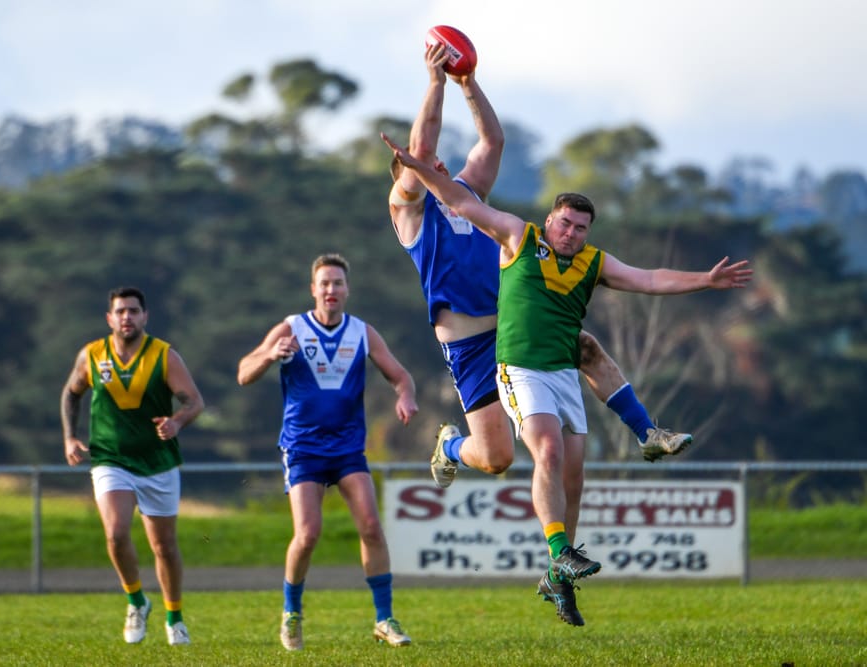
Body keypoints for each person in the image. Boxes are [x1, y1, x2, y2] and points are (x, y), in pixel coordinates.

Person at [384, 134, 753, 626]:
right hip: (515, 365)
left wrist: (704, 280)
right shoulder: (519, 236)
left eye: (581, 228)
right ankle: (560, 547)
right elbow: (456, 197)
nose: (571, 233)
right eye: (565, 223)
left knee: (572, 473)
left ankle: (562, 566)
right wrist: (420, 167)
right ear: (550, 219)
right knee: (548, 451)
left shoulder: (590, 262)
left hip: (559, 369)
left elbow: (649, 279)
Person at [387, 42, 692, 496]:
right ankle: (450, 448)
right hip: (468, 342)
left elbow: (493, 141)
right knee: (496, 458)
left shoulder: (468, 195)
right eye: (425, 164)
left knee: (584, 346)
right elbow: (420, 145)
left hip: (516, 328)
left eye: (437, 162)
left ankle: (647, 432)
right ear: (408, 173)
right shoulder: (408, 211)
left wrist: (469, 85)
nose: (436, 163)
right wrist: (435, 83)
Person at [237, 253, 418, 651]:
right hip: (303, 447)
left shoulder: (362, 333)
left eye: (337, 283)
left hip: (348, 448)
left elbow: (400, 375)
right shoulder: (292, 328)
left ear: (347, 290)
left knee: (371, 525)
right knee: (308, 533)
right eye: (324, 283)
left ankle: (384, 618)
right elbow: (244, 372)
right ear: (313, 289)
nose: (331, 290)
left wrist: (405, 397)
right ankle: (291, 612)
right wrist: (269, 355)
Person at [61, 286, 205, 646]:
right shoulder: (92, 355)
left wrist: (176, 422)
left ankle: (174, 617)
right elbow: (71, 392)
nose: (127, 317)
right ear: (109, 318)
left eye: (134, 311)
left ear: (145, 316)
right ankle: (136, 601)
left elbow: (194, 402)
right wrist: (70, 437)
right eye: (120, 311)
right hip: (110, 458)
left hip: (158, 462)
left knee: (164, 547)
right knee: (116, 532)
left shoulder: (164, 355)